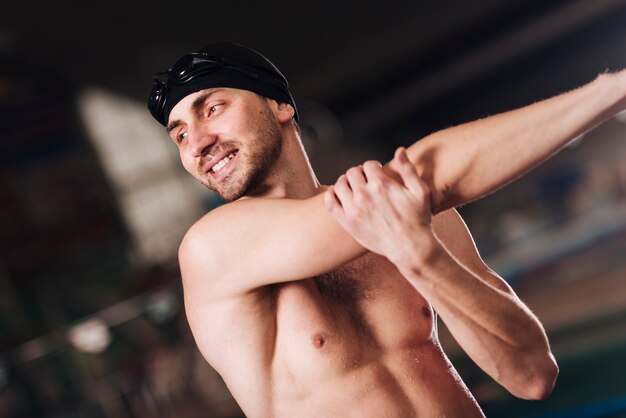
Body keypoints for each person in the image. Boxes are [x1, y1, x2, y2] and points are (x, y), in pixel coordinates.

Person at [148, 42, 626, 417]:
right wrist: (609, 92)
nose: (199, 144)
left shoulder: (418, 216)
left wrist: (425, 259)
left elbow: (532, 375)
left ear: (280, 106)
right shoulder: (213, 249)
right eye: (181, 134)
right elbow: (430, 176)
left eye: (212, 108)